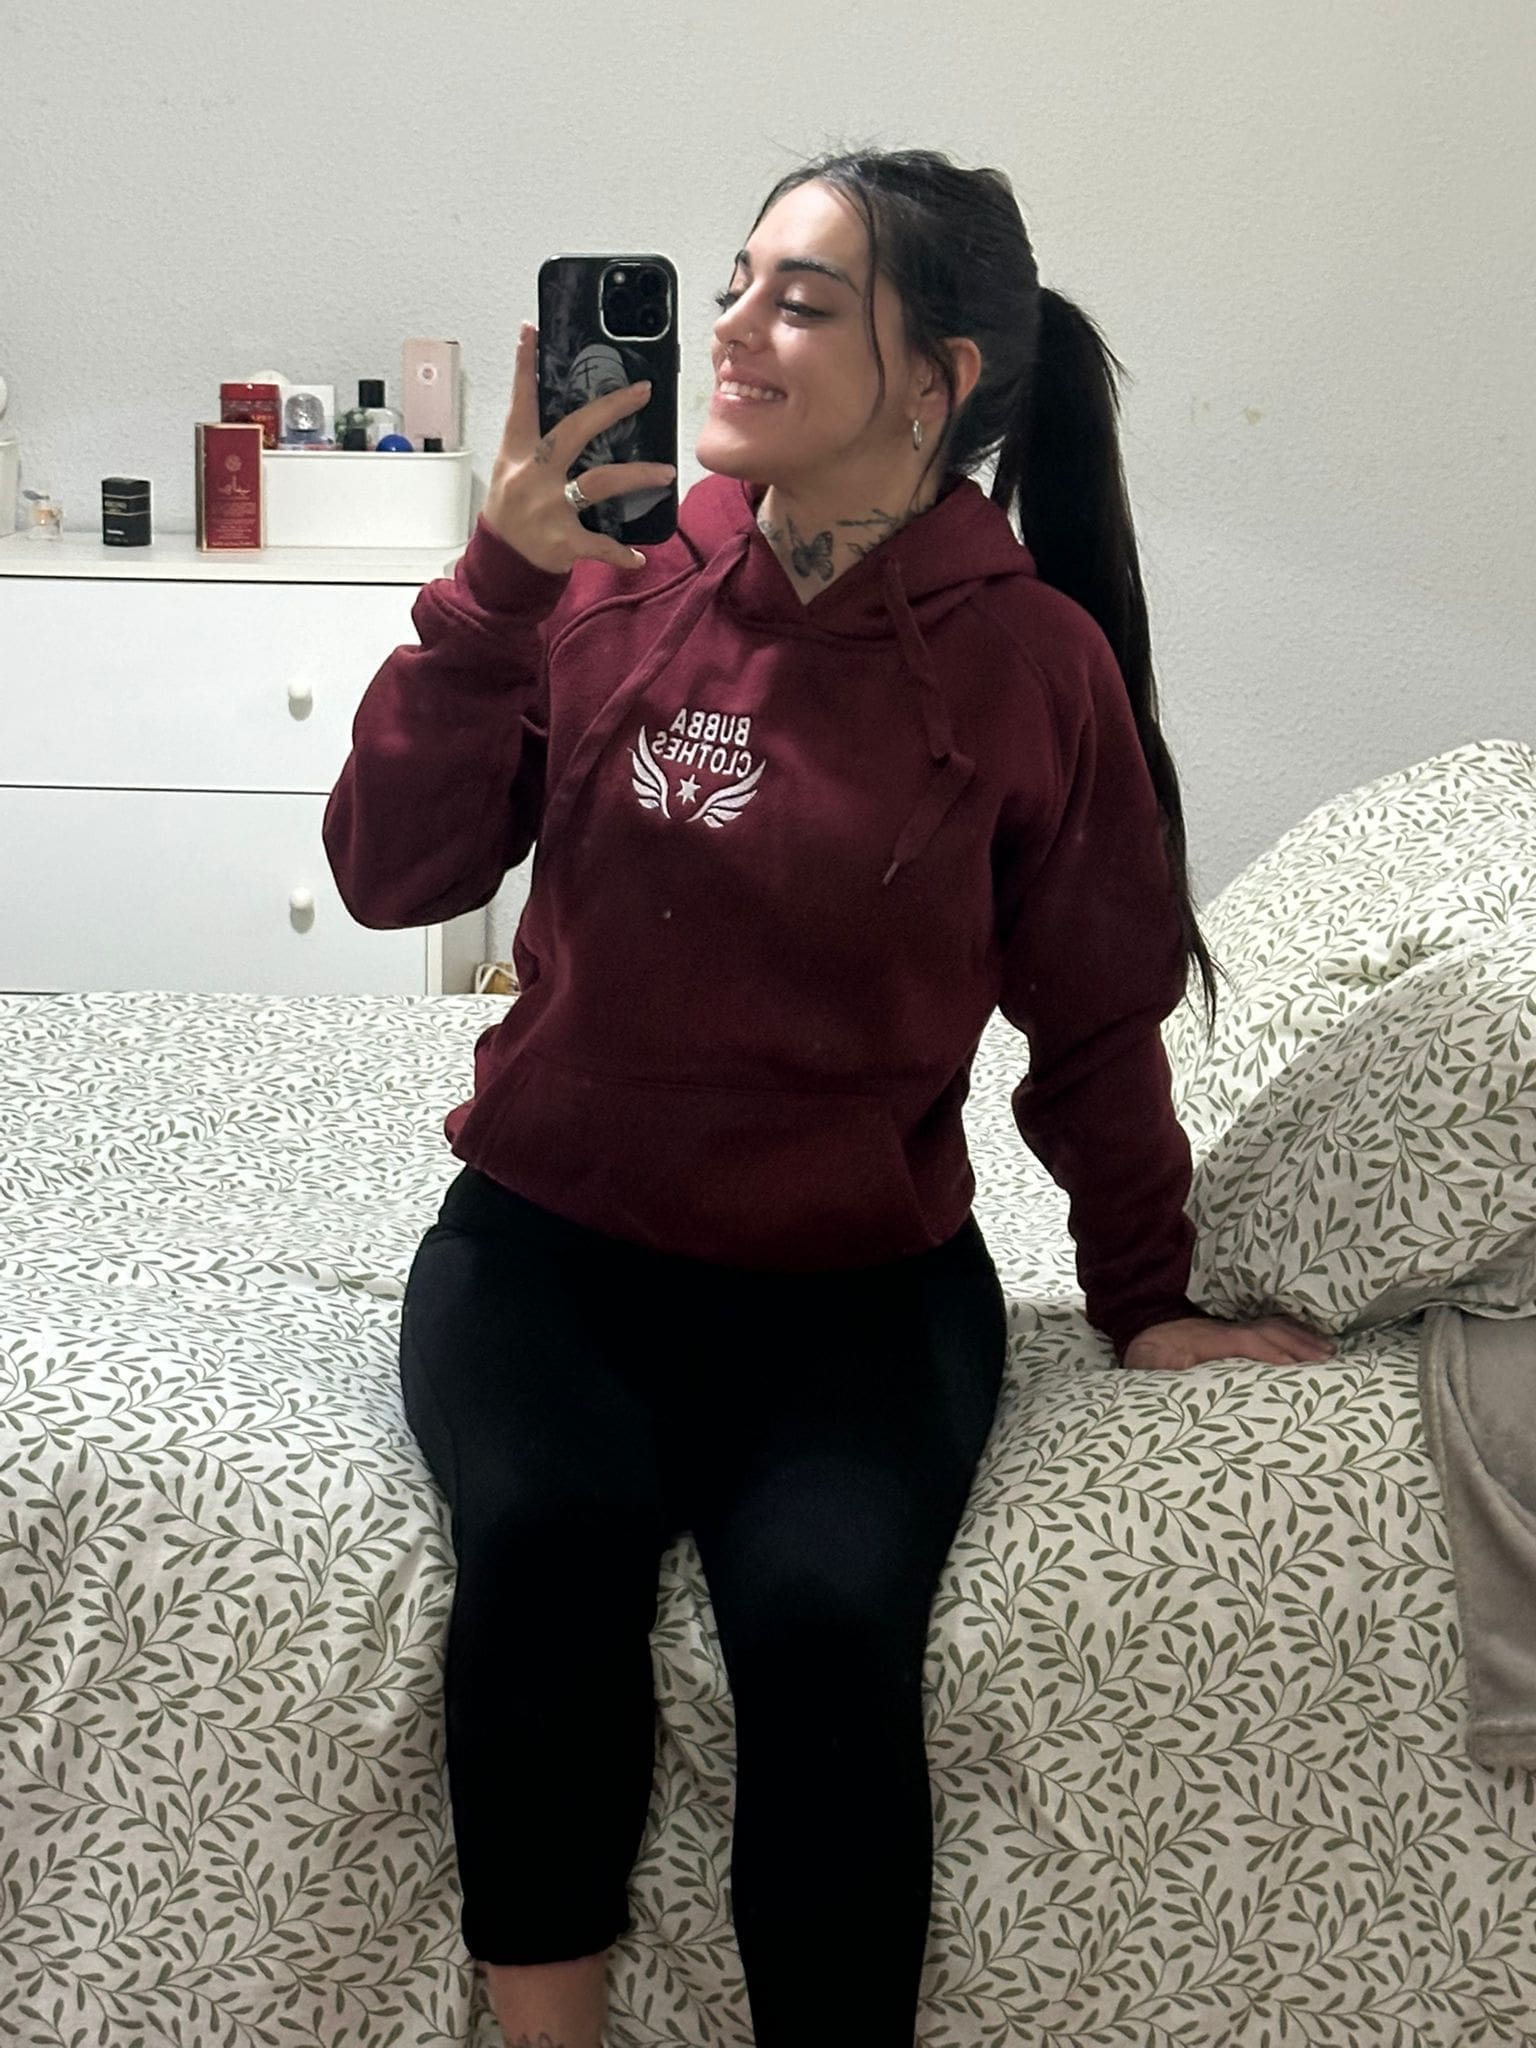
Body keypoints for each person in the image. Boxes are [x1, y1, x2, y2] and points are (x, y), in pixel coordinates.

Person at [323, 147, 1334, 2048]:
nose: (729, 330)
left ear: (936, 381)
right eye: (733, 283)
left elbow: (1097, 1020)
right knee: (541, 1554)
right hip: (547, 1253)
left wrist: (1147, 1295)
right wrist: (493, 592)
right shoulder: (613, 578)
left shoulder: (1028, 664)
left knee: (825, 1628)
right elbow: (392, 879)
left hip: (856, 1298)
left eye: (799, 300)